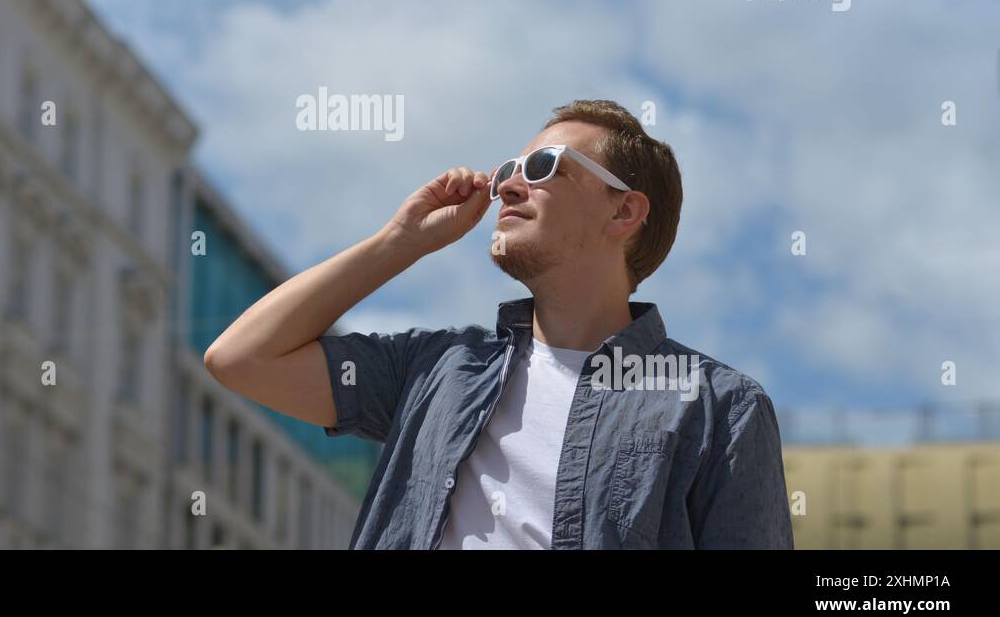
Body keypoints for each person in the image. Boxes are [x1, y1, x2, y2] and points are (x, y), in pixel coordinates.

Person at [205, 99, 793, 549]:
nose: (508, 183)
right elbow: (241, 359)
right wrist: (398, 243)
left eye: (543, 167)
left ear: (624, 210)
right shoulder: (437, 371)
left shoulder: (716, 406)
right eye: (509, 168)